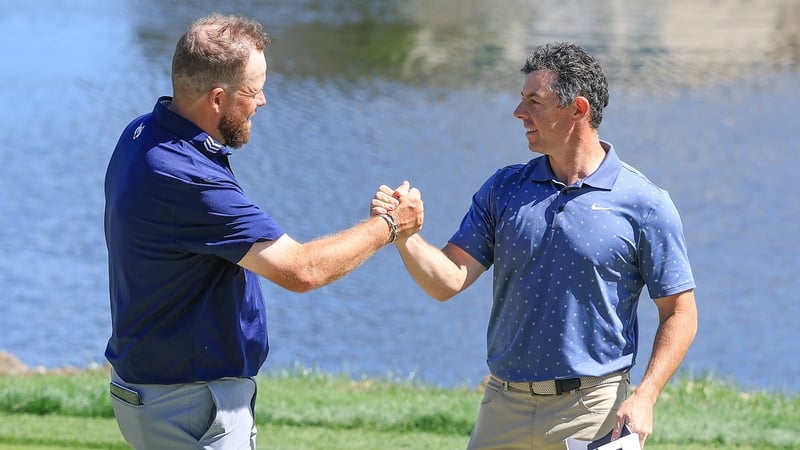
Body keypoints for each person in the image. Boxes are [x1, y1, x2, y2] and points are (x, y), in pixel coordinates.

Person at [103, 13, 423, 450]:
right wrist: (388, 226)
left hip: (155, 392)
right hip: (194, 404)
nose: (263, 101)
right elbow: (301, 270)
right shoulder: (189, 177)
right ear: (217, 98)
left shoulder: (142, 134)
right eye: (253, 90)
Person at [375, 42, 697, 449]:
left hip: (593, 411)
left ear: (578, 109)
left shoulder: (645, 203)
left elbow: (680, 312)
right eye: (521, 99)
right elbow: (447, 281)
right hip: (502, 406)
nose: (518, 112)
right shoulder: (505, 188)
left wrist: (646, 395)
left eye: (534, 101)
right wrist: (403, 234)